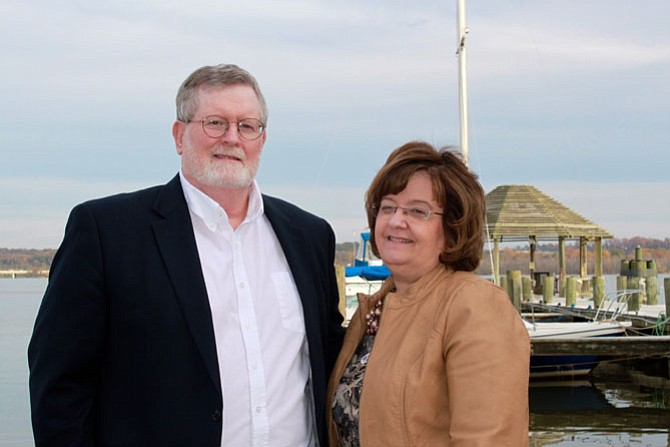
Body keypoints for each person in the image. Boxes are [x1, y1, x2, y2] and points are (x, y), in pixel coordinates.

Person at [28, 64, 344, 447]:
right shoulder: (106, 232)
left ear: (262, 139)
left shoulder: (308, 236)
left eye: (247, 126)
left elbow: (329, 358)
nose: (232, 138)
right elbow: (59, 387)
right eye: (215, 123)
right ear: (180, 136)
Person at [326, 141, 530, 446]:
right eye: (388, 207)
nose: (396, 220)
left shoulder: (474, 306)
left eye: (417, 211)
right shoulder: (374, 309)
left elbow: (487, 439)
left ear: (452, 230)